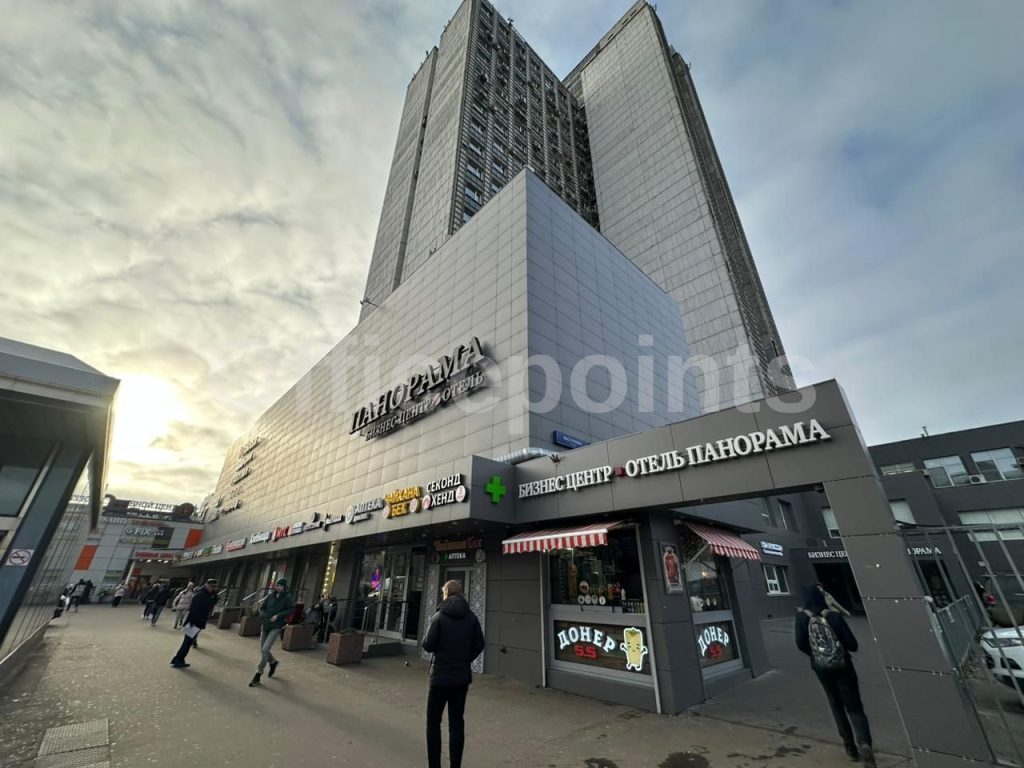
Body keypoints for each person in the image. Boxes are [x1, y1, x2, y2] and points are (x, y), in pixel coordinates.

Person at [796, 586, 875, 766]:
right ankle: (864, 743)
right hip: (844, 667)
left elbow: (800, 643)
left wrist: (816, 655)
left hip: (821, 669)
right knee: (854, 708)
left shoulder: (802, 618)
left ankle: (850, 748)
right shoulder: (833, 616)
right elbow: (852, 644)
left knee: (836, 705)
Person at [422, 580, 485, 768]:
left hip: (439, 679)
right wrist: (465, 659)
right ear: (461, 594)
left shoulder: (439, 616)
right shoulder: (471, 617)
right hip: (461, 679)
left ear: (446, 593)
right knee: (457, 723)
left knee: (433, 723)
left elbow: (428, 645)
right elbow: (479, 644)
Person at [249, 578, 295, 687]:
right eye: (277, 585)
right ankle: (273, 662)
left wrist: (278, 616)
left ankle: (258, 673)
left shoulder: (287, 597)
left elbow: (291, 609)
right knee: (263, 650)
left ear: (284, 587)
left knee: (265, 649)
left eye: (280, 586)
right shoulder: (270, 596)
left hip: (276, 626)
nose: (278, 587)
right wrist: (263, 616)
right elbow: (262, 607)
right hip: (265, 625)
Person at [170, 579, 219, 668]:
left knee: (188, 642)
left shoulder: (208, 595)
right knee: (187, 642)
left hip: (197, 622)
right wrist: (192, 624)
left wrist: (214, 594)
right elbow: (196, 609)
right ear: (206, 585)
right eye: (211, 586)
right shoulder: (200, 595)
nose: (212, 588)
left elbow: (212, 603)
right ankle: (178, 660)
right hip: (194, 622)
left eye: (214, 587)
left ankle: (178, 659)